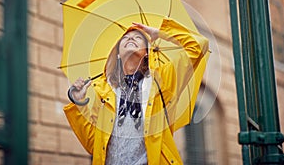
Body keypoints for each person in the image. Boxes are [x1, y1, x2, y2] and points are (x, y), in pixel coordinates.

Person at [63, 18, 209, 165]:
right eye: (125, 38)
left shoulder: (162, 80)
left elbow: (198, 45)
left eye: (138, 37)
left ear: (147, 53)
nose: (131, 38)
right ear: (118, 54)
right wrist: (80, 104)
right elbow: (93, 144)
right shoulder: (105, 91)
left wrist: (160, 33)